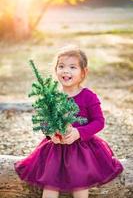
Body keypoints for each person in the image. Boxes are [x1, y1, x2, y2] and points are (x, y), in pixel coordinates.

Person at [14, 45, 124, 198]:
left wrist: (79, 132)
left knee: (80, 185)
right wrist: (51, 133)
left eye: (72, 67)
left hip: (83, 149)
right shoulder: (52, 96)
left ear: (84, 72)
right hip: (56, 148)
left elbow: (99, 121)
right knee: (50, 187)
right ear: (56, 70)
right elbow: (46, 119)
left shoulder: (88, 96)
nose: (66, 71)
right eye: (61, 66)